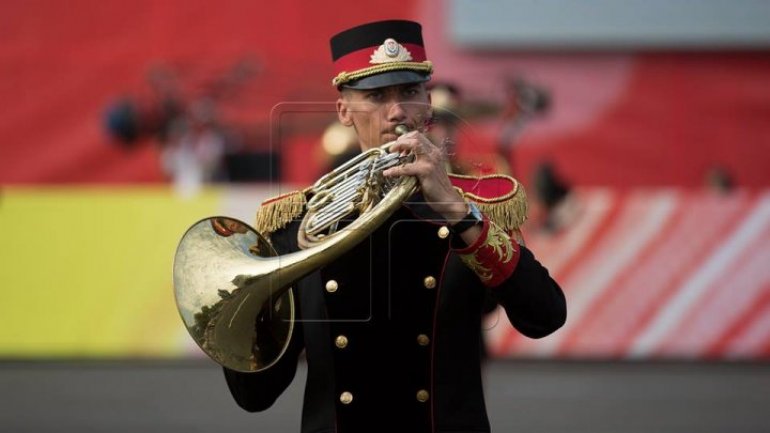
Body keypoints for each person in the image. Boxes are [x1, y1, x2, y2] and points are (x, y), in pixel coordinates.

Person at [222, 20, 566, 433]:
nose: (398, 111)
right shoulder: (294, 225)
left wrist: (457, 212)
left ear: (427, 101)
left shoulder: (475, 207)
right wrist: (237, 314)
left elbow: (544, 315)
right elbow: (254, 395)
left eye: (409, 92)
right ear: (344, 111)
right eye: (376, 96)